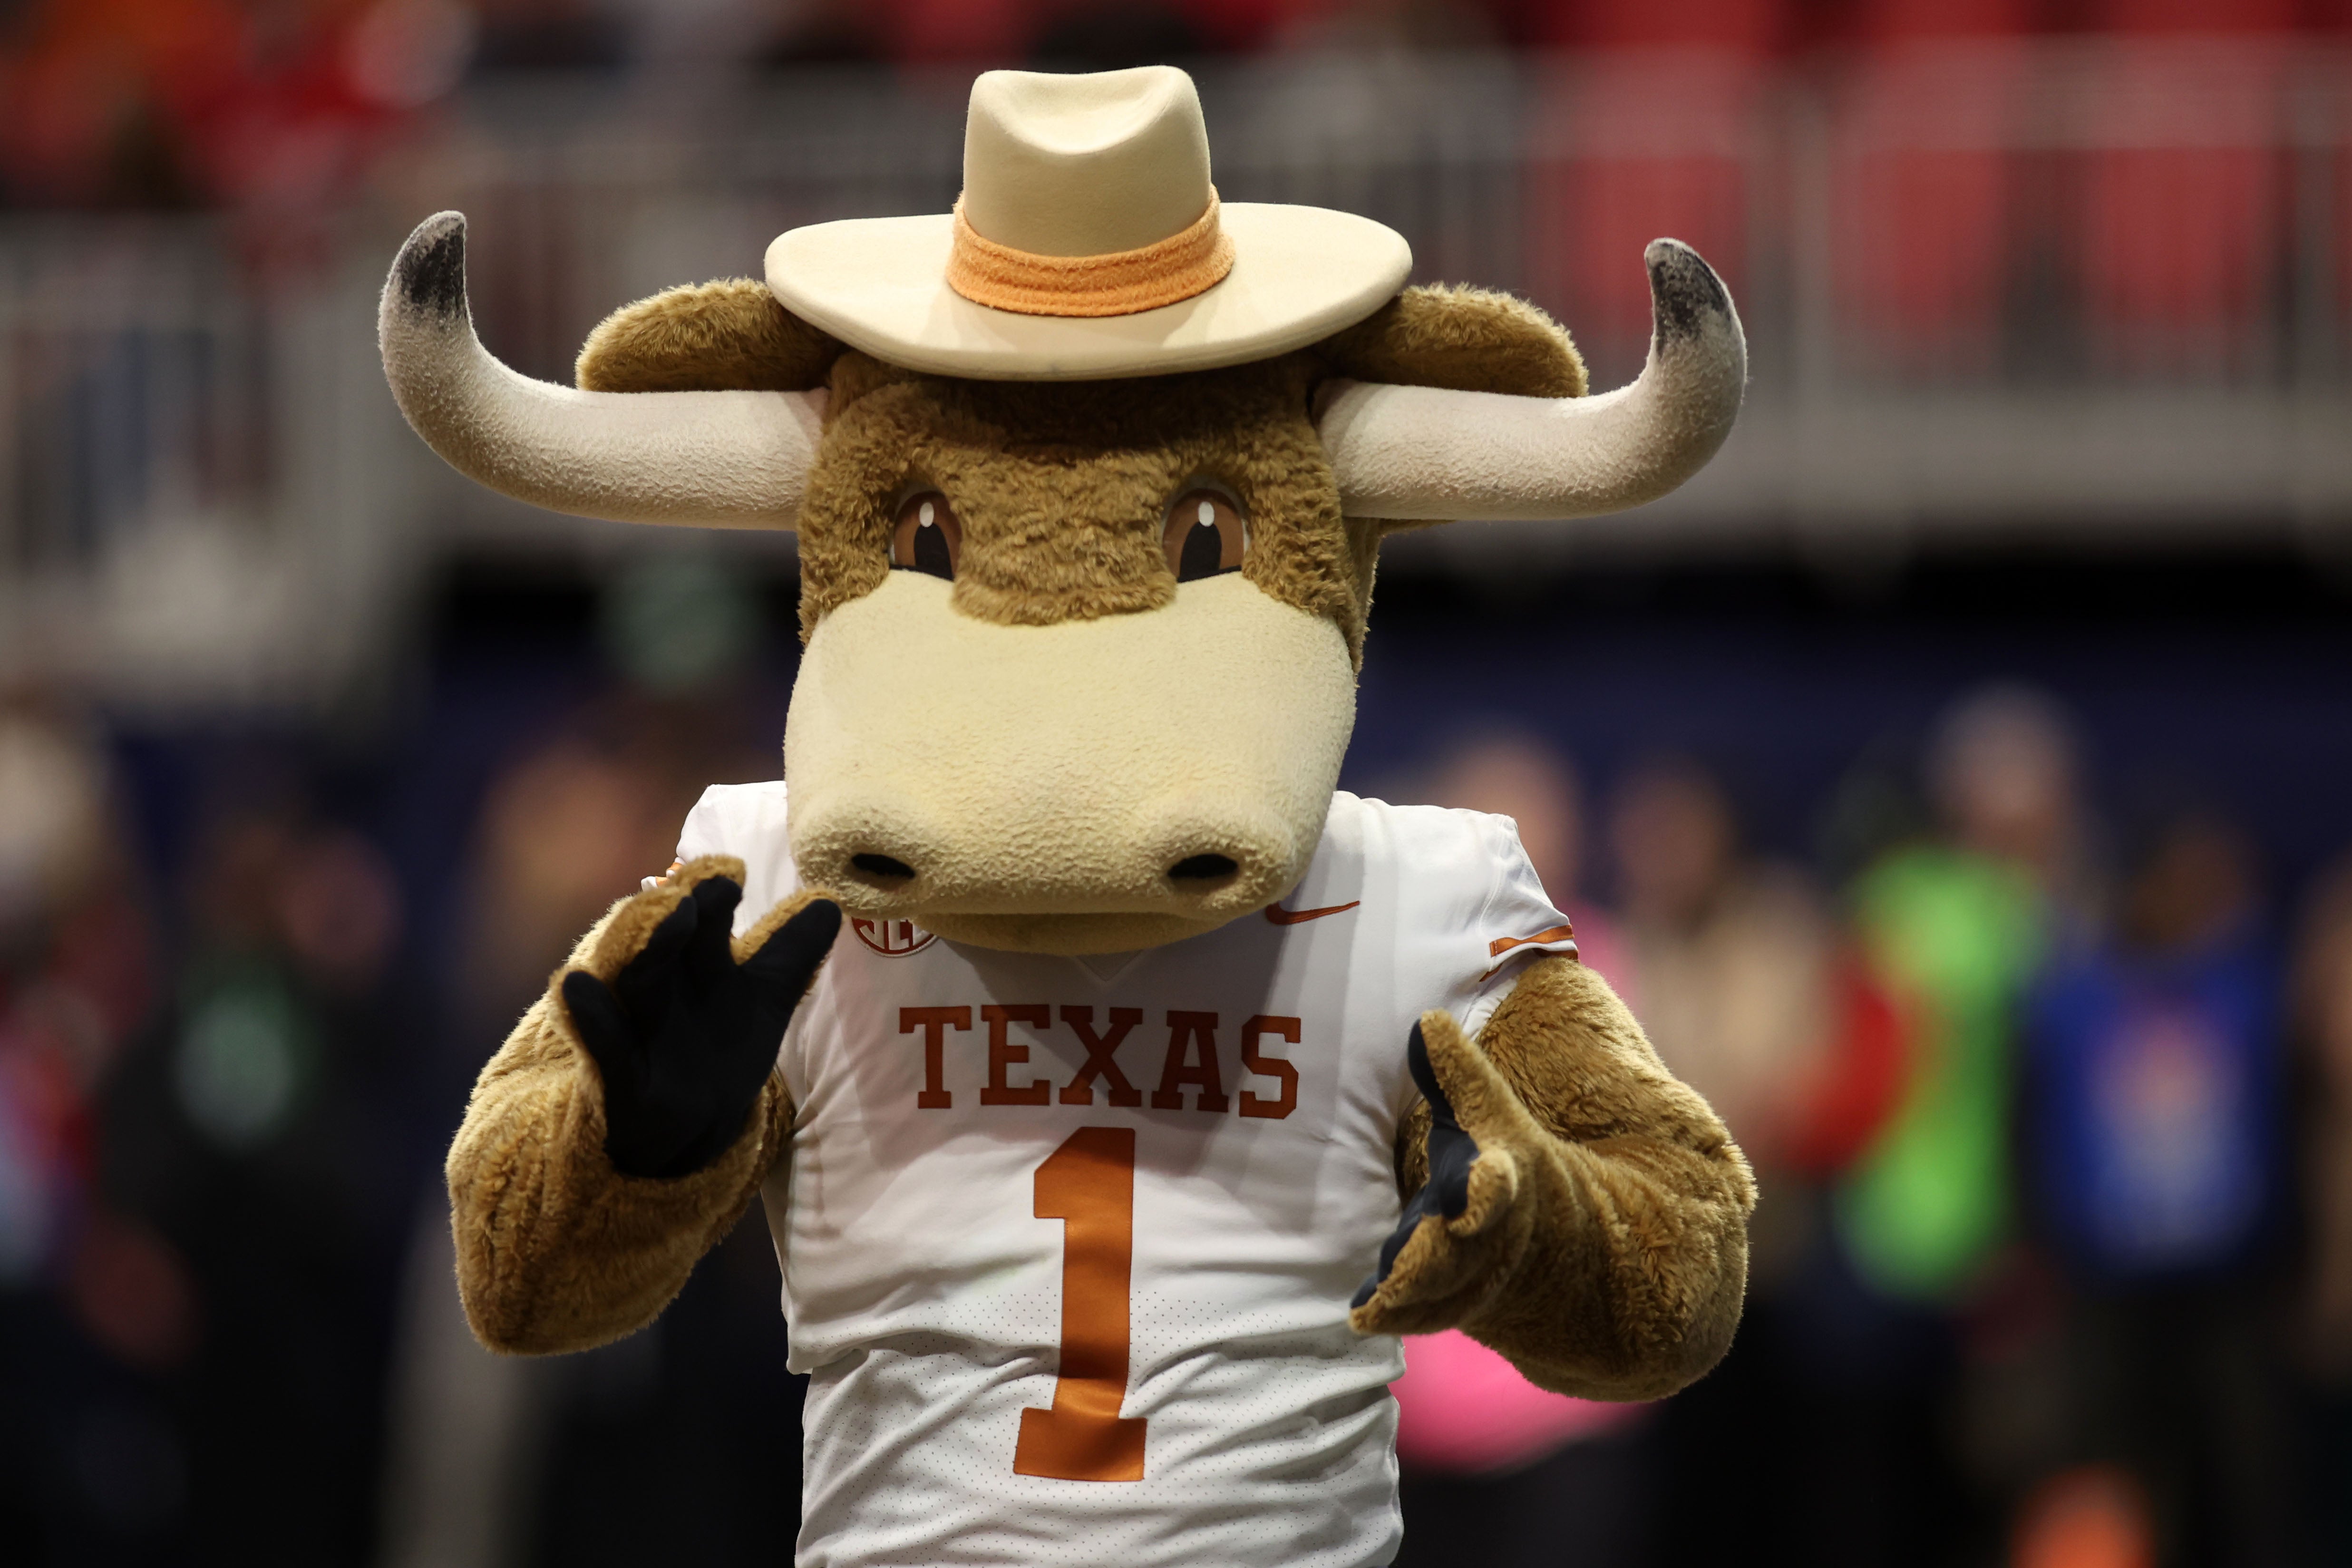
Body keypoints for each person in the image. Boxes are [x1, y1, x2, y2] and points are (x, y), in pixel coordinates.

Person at [2023, 808, 2290, 1568]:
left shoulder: (2248, 992)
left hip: (2227, 1288)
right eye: (2188, 883)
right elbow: (2032, 1128)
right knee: (2113, 1484)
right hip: (2106, 1288)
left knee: (2237, 1476)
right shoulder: (2073, 998)